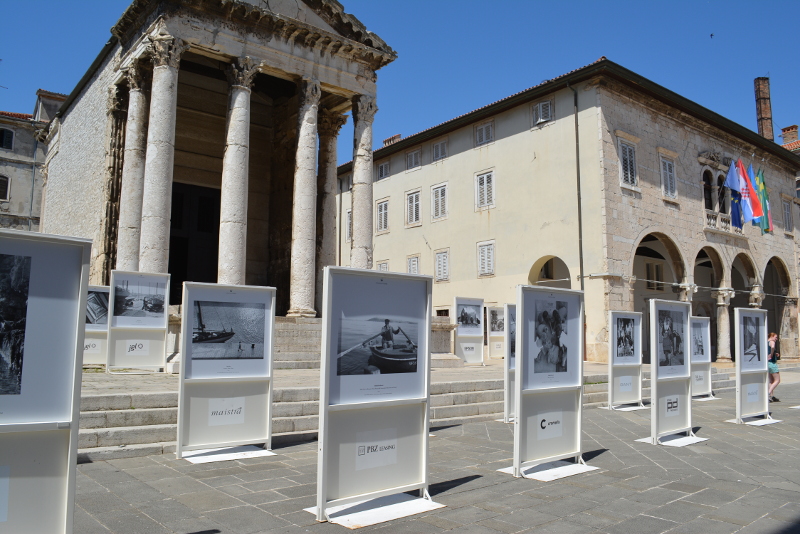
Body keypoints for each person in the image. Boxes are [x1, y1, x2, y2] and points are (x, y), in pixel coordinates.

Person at [768, 332, 781, 402]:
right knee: (777, 380)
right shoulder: (772, 342)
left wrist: (774, 353)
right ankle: (768, 394)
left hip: (767, 363)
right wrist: (772, 354)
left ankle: (771, 396)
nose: (776, 339)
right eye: (775, 337)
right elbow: (772, 347)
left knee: (771, 381)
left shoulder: (766, 342)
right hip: (772, 363)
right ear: (772, 336)